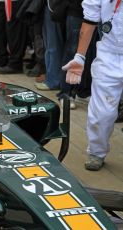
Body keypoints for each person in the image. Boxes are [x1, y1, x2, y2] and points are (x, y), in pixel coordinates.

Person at [62, 0, 123, 170]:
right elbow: (89, 22)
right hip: (109, 54)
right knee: (101, 114)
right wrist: (80, 57)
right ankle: (97, 151)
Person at [56, 0, 83, 110]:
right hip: (78, 10)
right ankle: (66, 94)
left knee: (94, 54)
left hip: (103, 14)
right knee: (71, 52)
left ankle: (81, 92)